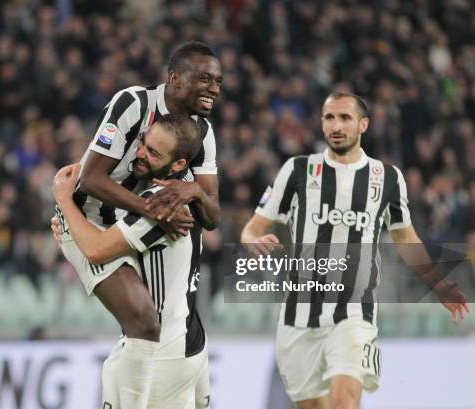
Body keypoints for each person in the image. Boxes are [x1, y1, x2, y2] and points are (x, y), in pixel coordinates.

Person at [240, 92, 469, 409]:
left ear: (363, 124)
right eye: (329, 117)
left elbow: (405, 239)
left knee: (344, 402)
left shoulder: (387, 177)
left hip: (354, 312)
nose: (336, 125)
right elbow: (253, 227)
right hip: (298, 315)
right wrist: (252, 239)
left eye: (345, 117)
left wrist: (439, 285)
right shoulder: (296, 171)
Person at [52, 41, 222, 408]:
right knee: (145, 321)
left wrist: (191, 189)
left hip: (135, 225)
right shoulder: (132, 104)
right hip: (87, 223)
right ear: (175, 79)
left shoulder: (202, 133)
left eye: (218, 81)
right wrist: (152, 210)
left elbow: (212, 214)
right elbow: (93, 178)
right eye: (205, 79)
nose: (214, 88)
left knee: (159, 319)